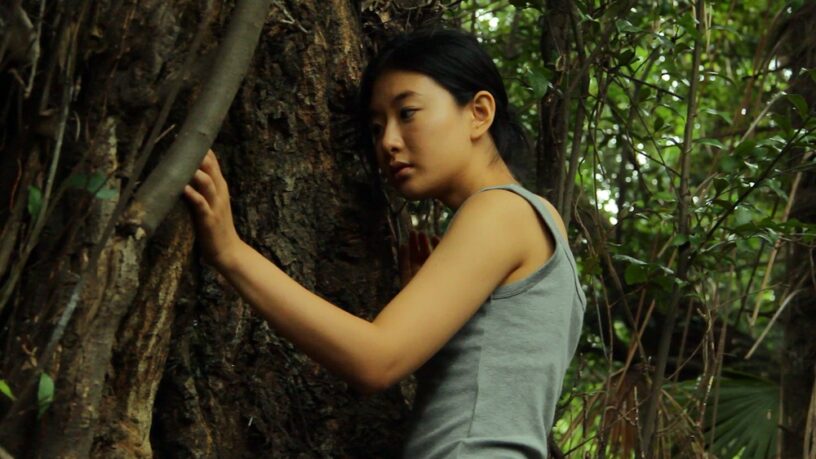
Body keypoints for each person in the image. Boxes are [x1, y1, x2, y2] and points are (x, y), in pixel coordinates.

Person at [183, 26, 586, 459]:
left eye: (407, 112)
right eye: (377, 129)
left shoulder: (500, 211)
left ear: (479, 112)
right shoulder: (541, 220)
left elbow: (376, 361)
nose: (388, 143)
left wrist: (231, 252)